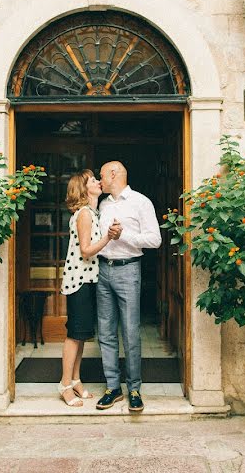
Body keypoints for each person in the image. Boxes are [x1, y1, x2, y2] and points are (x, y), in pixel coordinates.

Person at [95, 161, 161, 412]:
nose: (100, 180)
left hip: (129, 269)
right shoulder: (102, 204)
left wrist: (124, 236)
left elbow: (155, 240)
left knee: (131, 332)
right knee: (106, 332)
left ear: (113, 174)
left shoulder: (141, 202)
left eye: (102, 175)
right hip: (103, 270)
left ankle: (134, 388)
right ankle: (113, 388)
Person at [58, 169, 112, 407]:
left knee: (80, 336)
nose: (98, 182)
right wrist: (109, 238)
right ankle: (64, 385)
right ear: (84, 188)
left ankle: (76, 380)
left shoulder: (92, 212)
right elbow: (86, 250)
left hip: (88, 280)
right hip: (79, 281)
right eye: (93, 180)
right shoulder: (85, 215)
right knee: (73, 335)